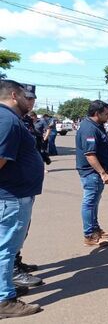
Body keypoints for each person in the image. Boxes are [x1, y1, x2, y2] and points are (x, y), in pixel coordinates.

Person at [0, 80, 43, 318]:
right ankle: (4, 300)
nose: (31, 102)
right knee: (5, 249)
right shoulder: (6, 120)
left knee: (6, 247)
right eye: (28, 98)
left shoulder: (9, 119)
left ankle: (5, 287)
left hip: (14, 195)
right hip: (11, 197)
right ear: (14, 95)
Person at [75, 100, 108, 247]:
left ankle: (95, 229)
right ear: (97, 113)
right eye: (106, 113)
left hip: (94, 173)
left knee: (94, 202)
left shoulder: (96, 125)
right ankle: (90, 235)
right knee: (90, 203)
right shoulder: (89, 128)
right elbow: (90, 154)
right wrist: (102, 173)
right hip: (92, 173)